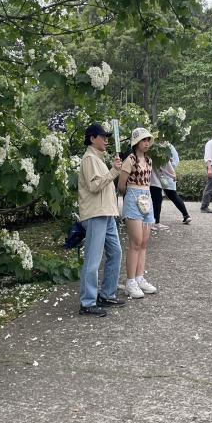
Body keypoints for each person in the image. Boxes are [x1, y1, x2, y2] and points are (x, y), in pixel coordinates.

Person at [77, 124, 126, 317]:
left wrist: (112, 169)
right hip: (96, 214)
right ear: (92, 139)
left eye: (107, 137)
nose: (106, 140)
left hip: (106, 213)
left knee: (116, 252)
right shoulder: (89, 159)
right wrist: (114, 171)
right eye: (103, 136)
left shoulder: (98, 159)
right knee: (93, 259)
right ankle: (87, 302)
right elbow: (95, 186)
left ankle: (106, 294)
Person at [118, 128, 158, 299]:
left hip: (147, 199)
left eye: (148, 139)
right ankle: (130, 281)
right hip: (133, 199)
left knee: (143, 242)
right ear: (136, 142)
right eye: (143, 140)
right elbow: (121, 185)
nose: (147, 143)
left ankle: (140, 277)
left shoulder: (149, 160)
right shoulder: (130, 160)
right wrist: (132, 196)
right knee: (135, 242)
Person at [151, 142, 192, 226]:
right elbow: (175, 161)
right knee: (161, 197)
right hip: (161, 176)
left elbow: (173, 161)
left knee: (167, 196)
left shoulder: (166, 146)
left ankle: (156, 221)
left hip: (162, 176)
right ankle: (155, 221)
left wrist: (169, 172)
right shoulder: (163, 146)